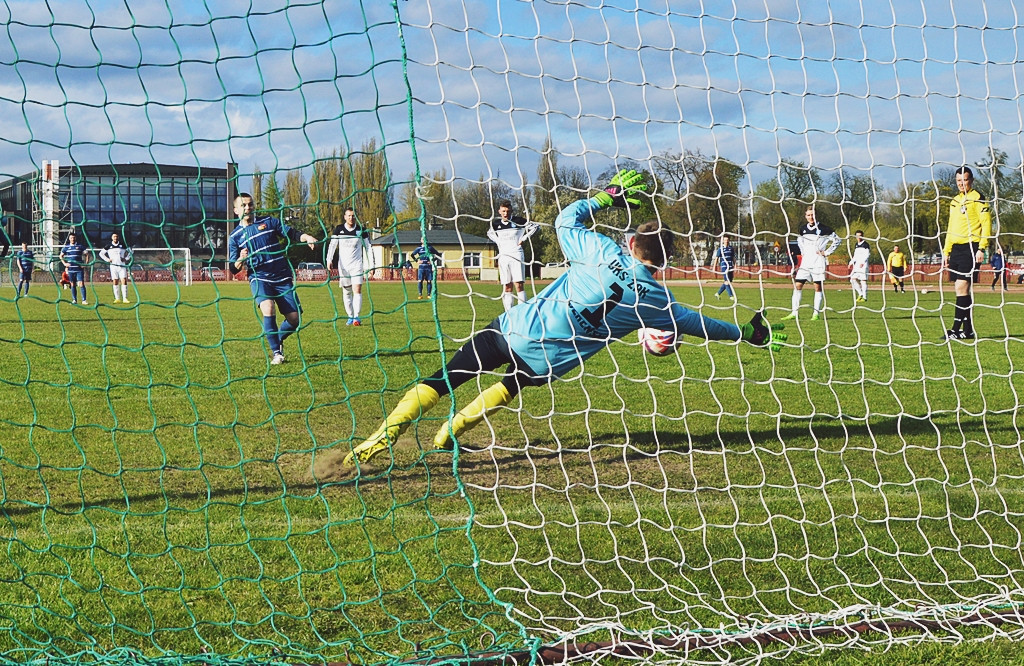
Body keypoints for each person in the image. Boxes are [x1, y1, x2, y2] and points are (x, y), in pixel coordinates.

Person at [342, 170, 787, 468]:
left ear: (631, 243)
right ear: (665, 259)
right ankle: (451, 432)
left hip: (516, 330)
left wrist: (606, 196)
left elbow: (564, 220)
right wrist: (747, 332)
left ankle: (384, 434)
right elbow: (704, 326)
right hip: (550, 361)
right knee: (511, 386)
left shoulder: (601, 251)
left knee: (444, 378)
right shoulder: (659, 302)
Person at [228, 192, 318, 364]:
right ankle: (277, 353)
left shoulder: (268, 221)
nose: (248, 208)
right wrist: (241, 259)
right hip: (259, 277)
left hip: (282, 276)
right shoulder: (235, 237)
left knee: (294, 319)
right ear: (236, 211)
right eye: (244, 205)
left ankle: (278, 339)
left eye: (250, 204)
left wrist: (306, 237)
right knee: (268, 308)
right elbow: (232, 268)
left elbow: (290, 232)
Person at [943, 166, 993, 341]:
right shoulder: (955, 201)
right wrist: (946, 251)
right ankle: (968, 330)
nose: (961, 183)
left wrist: (981, 247)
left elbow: (986, 224)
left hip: (971, 247)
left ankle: (955, 330)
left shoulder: (978, 198)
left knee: (961, 287)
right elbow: (950, 227)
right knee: (962, 291)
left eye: (964, 180)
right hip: (956, 249)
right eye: (958, 180)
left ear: (971, 180)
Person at [781, 206, 840, 321]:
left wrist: (826, 252)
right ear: (805, 216)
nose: (810, 217)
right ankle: (794, 313)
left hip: (818, 261)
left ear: (816, 215)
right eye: (808, 215)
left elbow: (837, 240)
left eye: (812, 215)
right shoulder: (802, 229)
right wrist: (803, 252)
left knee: (817, 287)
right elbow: (800, 240)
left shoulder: (824, 229)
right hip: (806, 262)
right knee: (798, 285)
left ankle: (816, 313)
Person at [488, 200, 539, 311]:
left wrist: (523, 238)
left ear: (511, 211)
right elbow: (490, 233)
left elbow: (535, 226)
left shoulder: (519, 221)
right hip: (503, 256)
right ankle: (509, 312)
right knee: (507, 286)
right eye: (503, 211)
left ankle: (522, 311)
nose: (505, 213)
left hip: (516, 254)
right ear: (499, 211)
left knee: (518, 284)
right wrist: (498, 241)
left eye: (508, 211)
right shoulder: (495, 224)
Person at [325, 207, 372, 326]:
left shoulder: (361, 230)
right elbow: (332, 245)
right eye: (349, 216)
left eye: (353, 216)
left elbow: (368, 248)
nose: (351, 218)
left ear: (355, 217)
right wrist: (329, 259)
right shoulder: (339, 229)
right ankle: (350, 316)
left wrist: (370, 266)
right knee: (347, 292)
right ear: (345, 217)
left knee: (357, 290)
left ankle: (356, 317)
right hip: (343, 266)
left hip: (357, 265)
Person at [99, 232, 133, 303]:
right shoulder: (108, 246)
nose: (115, 238)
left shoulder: (122, 245)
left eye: (116, 236)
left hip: (122, 266)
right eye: (114, 237)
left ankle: (125, 298)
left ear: (118, 237)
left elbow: (131, 251)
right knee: (115, 281)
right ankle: (117, 298)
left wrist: (126, 258)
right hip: (113, 266)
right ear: (112, 238)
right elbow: (101, 253)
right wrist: (107, 259)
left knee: (124, 280)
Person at [60, 232, 90, 305]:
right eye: (71, 238)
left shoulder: (80, 246)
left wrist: (85, 264)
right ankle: (74, 300)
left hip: (79, 269)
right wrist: (64, 263)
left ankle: (84, 300)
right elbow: (61, 256)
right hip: (71, 269)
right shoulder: (66, 247)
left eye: (73, 238)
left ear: (75, 238)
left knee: (81, 284)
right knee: (72, 284)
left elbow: (87, 254)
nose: (72, 239)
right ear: (69, 239)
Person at [710, 235, 736, 301]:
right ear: (723, 241)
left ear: (729, 241)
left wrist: (735, 265)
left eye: (727, 240)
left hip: (730, 266)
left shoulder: (731, 248)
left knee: (728, 281)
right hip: (724, 267)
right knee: (727, 281)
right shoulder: (720, 249)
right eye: (725, 240)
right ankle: (731, 296)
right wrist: (714, 267)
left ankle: (718, 293)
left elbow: (733, 258)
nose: (726, 241)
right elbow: (716, 258)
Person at [847, 230, 871, 303]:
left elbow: (867, 254)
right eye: (857, 235)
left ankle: (864, 297)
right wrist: (851, 262)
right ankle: (860, 294)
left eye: (860, 235)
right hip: (857, 265)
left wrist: (863, 262)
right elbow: (855, 256)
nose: (859, 237)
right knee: (852, 279)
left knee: (863, 281)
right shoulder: (856, 245)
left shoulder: (866, 244)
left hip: (863, 265)